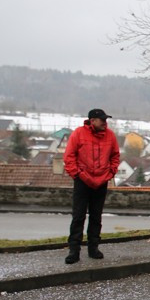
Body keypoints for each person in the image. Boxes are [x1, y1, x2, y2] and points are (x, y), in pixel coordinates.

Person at [63, 108, 121, 264]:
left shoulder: (110, 136)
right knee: (78, 216)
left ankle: (93, 248)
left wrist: (110, 173)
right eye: (102, 120)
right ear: (92, 120)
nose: (105, 123)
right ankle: (74, 250)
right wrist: (76, 174)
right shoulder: (78, 134)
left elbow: (115, 156)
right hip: (82, 180)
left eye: (105, 120)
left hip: (101, 181)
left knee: (96, 217)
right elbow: (69, 156)